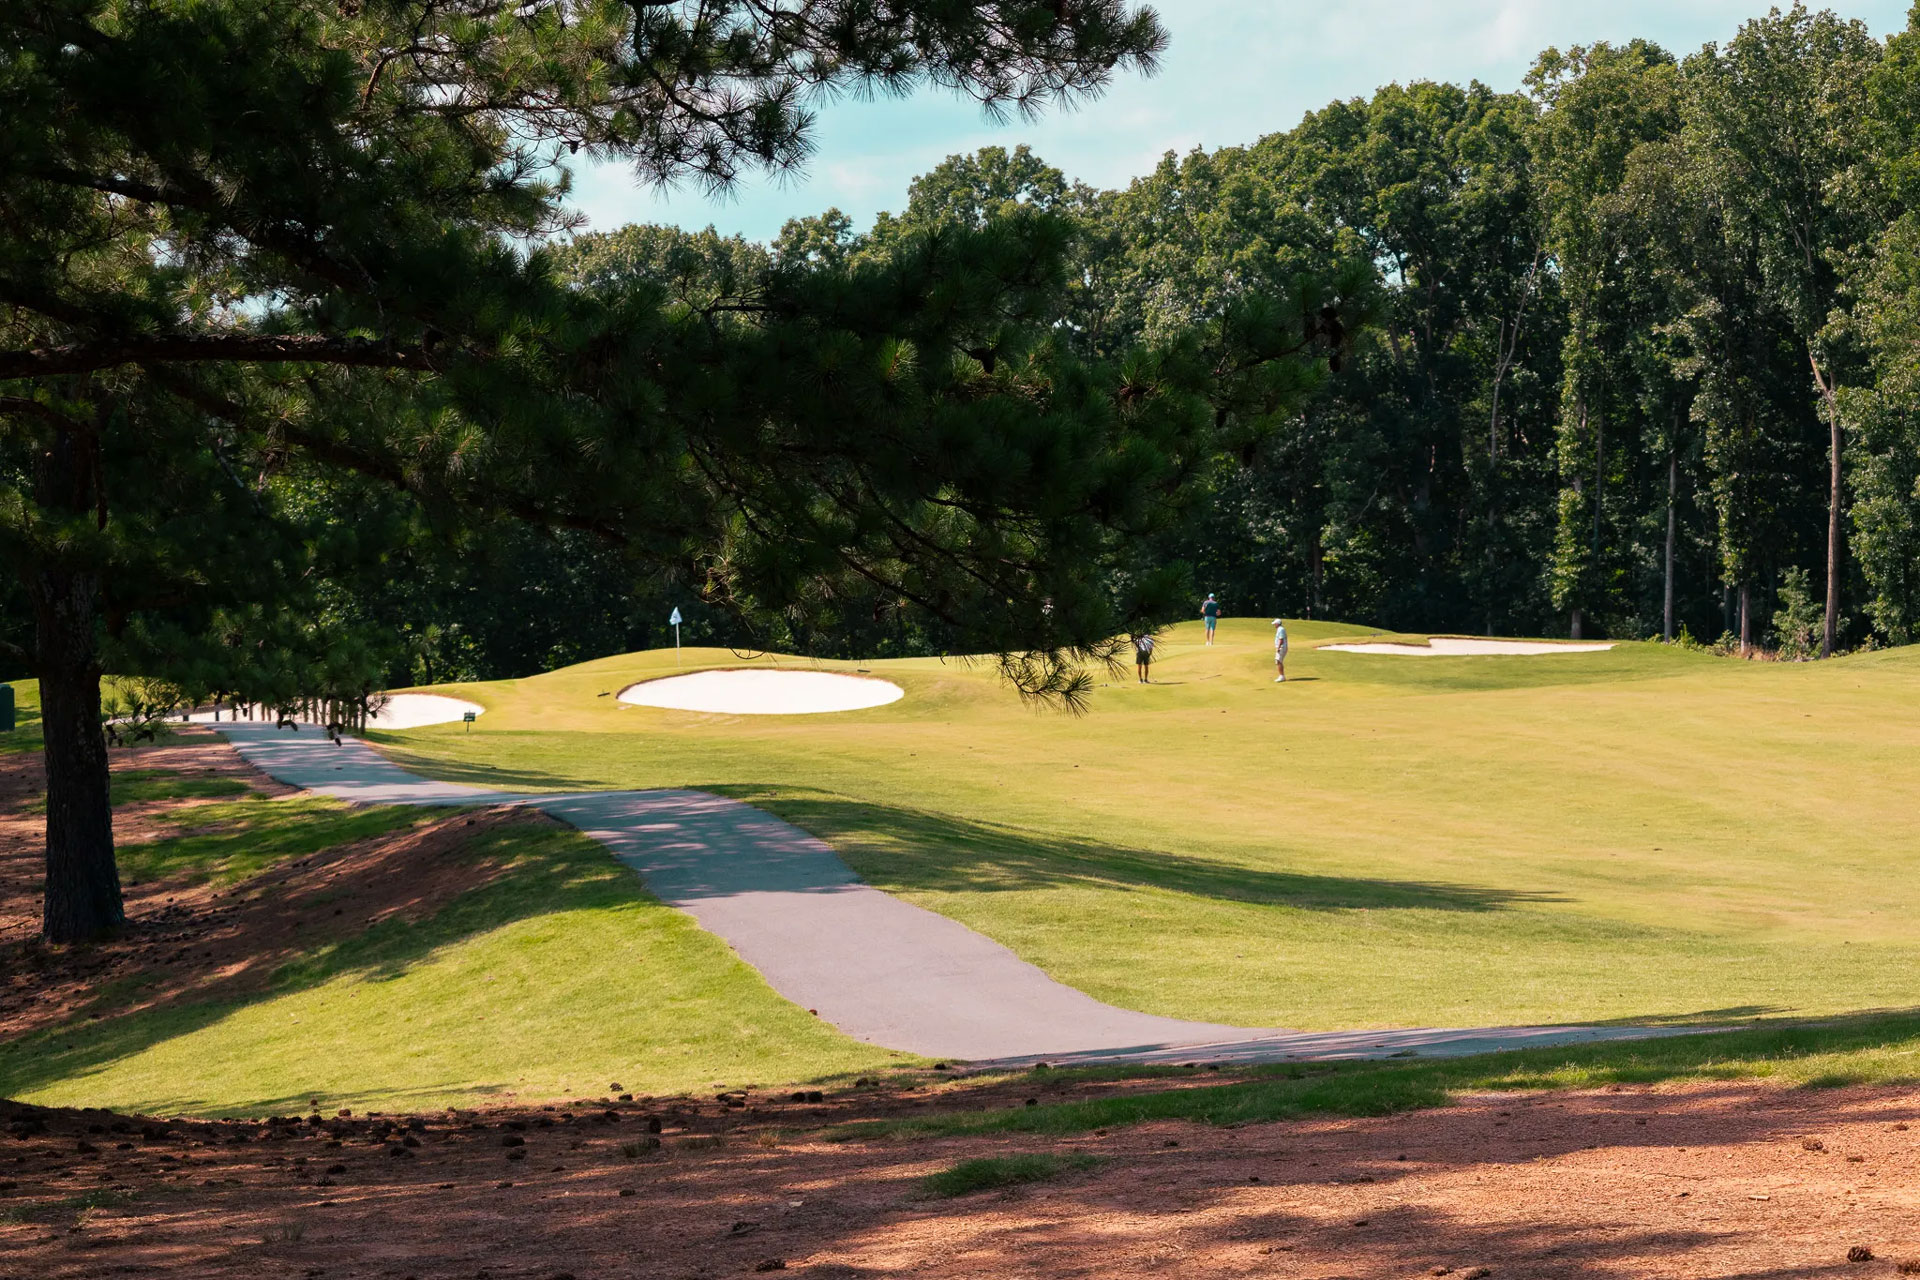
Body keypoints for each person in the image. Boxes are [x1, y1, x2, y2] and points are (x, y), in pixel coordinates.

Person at [1272, 618, 1289, 682]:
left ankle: (1282, 676)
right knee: (1279, 661)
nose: (1274, 625)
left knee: (1278, 661)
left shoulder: (1280, 629)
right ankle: (1281, 676)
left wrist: (1278, 648)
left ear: (1277, 624)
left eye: (1275, 624)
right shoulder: (1280, 629)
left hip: (1281, 648)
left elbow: (1281, 640)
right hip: (1282, 647)